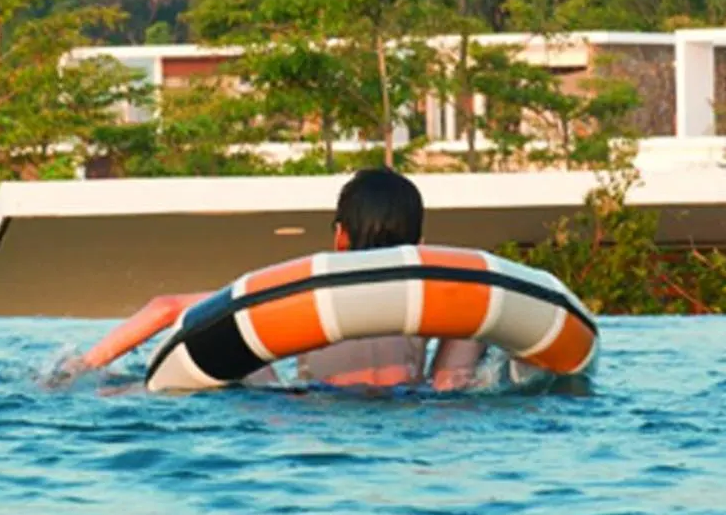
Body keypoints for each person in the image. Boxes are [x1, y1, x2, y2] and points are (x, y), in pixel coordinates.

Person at [56, 167, 485, 391]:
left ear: (340, 236)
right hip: (411, 407)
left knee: (237, 351)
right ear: (420, 241)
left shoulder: (311, 290)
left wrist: (83, 367)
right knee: (472, 327)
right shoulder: (432, 294)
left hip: (312, 409)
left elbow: (166, 307)